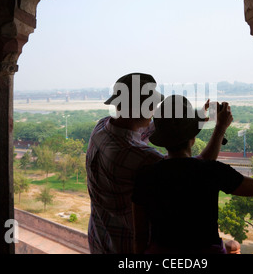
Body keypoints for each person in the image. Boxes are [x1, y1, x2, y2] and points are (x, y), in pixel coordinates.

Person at [85, 73, 231, 254]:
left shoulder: (101, 128)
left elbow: (149, 131)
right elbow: (196, 168)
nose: (154, 110)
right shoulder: (143, 158)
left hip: (100, 236)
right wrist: (220, 130)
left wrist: (194, 120)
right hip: (127, 245)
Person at [131, 95, 253, 254]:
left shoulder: (145, 176)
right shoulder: (211, 171)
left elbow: (140, 238)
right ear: (193, 137)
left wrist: (220, 128)